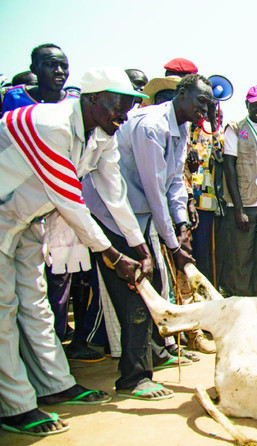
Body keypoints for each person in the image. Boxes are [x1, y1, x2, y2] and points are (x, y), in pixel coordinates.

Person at [0, 66, 148, 436]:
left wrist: (139, 245)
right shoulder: (52, 124)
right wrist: (112, 257)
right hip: (6, 215)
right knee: (3, 310)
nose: (125, 114)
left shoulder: (103, 134)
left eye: (131, 106)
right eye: (120, 104)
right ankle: (14, 406)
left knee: (34, 305)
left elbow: (115, 193)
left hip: (28, 220)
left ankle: (55, 384)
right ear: (93, 99)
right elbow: (69, 200)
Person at [82, 74, 214, 400]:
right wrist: (173, 247)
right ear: (181, 94)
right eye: (200, 100)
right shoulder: (151, 125)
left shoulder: (182, 128)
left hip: (139, 216)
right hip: (113, 214)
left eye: (209, 104)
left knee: (151, 287)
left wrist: (181, 226)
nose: (204, 108)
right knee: (135, 293)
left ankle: (154, 352)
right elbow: (154, 190)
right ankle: (133, 377)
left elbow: (174, 183)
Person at [221, 86, 257, 307]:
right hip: (243, 205)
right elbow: (229, 167)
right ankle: (243, 309)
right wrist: (238, 209)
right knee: (242, 259)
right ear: (246, 105)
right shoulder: (235, 129)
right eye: (254, 104)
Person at [2, 43, 78, 115]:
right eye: (51, 65)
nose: (60, 71)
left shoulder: (76, 103)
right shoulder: (15, 97)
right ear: (34, 69)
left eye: (64, 67)